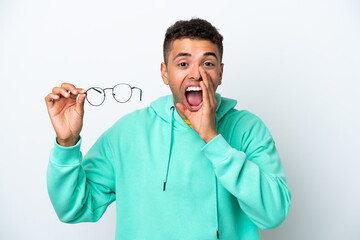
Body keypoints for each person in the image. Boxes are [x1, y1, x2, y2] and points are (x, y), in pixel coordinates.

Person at [45, 18, 291, 240]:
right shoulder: (127, 133)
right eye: (183, 63)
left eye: (207, 63)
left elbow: (273, 213)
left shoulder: (248, 129)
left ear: (220, 73)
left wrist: (212, 139)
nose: (197, 74)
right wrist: (66, 143)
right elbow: (73, 208)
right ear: (165, 73)